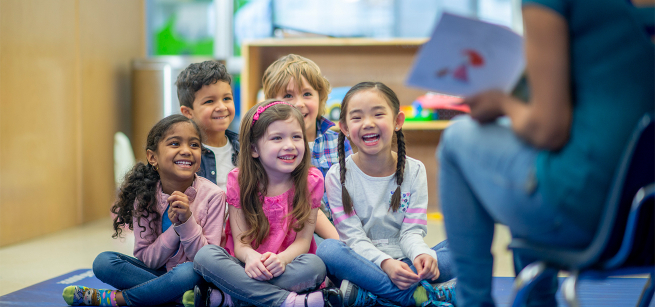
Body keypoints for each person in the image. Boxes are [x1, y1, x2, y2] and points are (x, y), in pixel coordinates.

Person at [437, 0, 655, 306]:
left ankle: (474, 302)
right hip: (647, 219)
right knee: (524, 154)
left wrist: (501, 103)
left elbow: (547, 130)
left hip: (588, 211)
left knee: (456, 139)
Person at [317, 82, 457, 307]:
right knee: (328, 250)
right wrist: (386, 264)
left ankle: (374, 295)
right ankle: (420, 296)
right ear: (344, 128)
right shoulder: (337, 176)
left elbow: (412, 231)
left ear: (397, 121)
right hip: (362, 265)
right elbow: (353, 239)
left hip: (406, 263)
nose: (368, 123)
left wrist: (423, 256)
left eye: (378, 114)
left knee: (461, 246)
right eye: (357, 117)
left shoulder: (416, 170)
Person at [62, 115, 226, 306]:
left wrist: (187, 222)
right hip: (155, 274)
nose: (186, 151)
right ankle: (179, 299)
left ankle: (116, 299)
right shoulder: (145, 197)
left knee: (187, 271)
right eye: (174, 143)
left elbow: (207, 262)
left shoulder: (214, 196)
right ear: (152, 157)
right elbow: (149, 261)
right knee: (104, 262)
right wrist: (175, 228)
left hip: (192, 276)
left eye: (194, 145)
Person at [192, 100, 343, 307]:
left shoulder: (311, 180)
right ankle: (288, 301)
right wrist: (252, 258)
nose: (289, 145)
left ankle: (232, 297)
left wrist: (282, 259)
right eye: (277, 138)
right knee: (205, 256)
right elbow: (240, 244)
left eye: (296, 137)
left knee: (315, 266)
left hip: (288, 265)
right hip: (245, 263)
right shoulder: (239, 180)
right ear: (254, 148)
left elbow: (303, 242)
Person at [263, 54, 354, 241]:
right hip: (299, 234)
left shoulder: (339, 142)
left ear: (320, 98)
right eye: (288, 96)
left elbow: (354, 190)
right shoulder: (273, 149)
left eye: (307, 94)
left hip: (344, 228)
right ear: (272, 104)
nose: (299, 103)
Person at [178, 60, 239, 192]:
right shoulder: (183, 155)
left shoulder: (246, 148)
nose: (222, 107)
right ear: (187, 112)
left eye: (226, 99)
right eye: (210, 101)